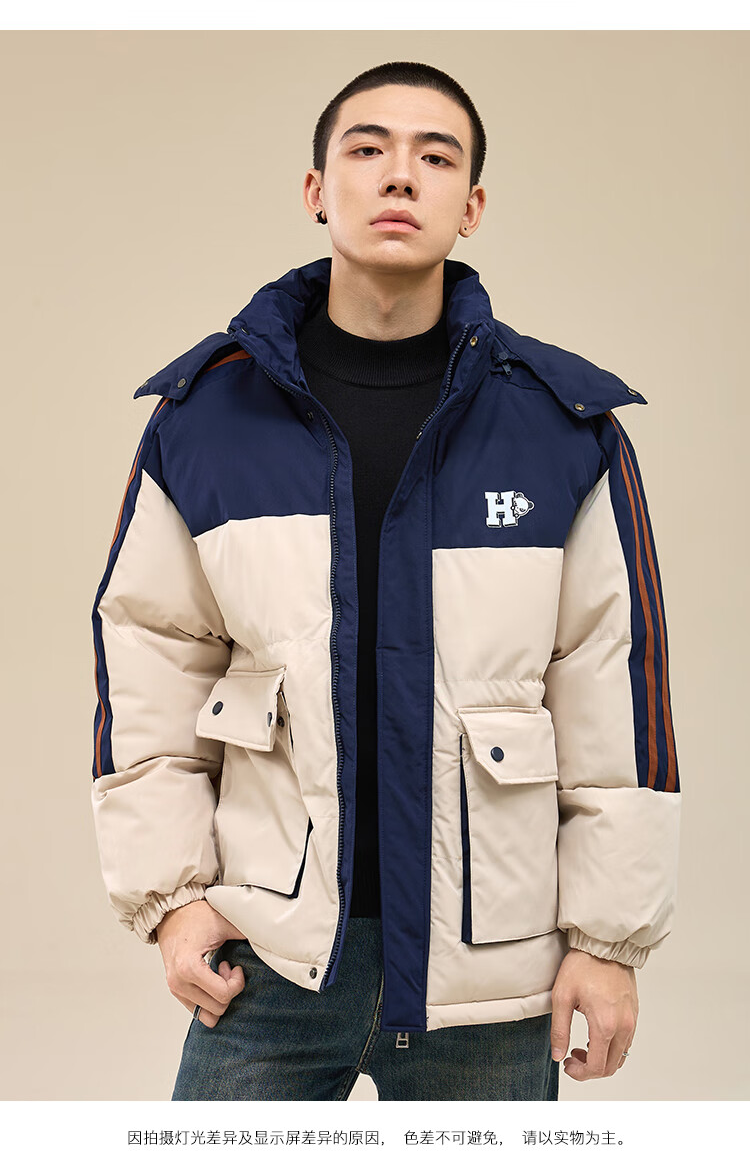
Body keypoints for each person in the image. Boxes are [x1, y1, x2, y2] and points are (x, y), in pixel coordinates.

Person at [90, 60, 681, 1101]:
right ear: (317, 189)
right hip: (268, 958)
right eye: (367, 149)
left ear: (472, 207)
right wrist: (171, 900)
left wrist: (607, 941)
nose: (399, 175)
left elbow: (615, 699)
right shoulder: (206, 423)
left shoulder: (562, 429)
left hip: (490, 977)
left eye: (435, 157)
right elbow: (148, 671)